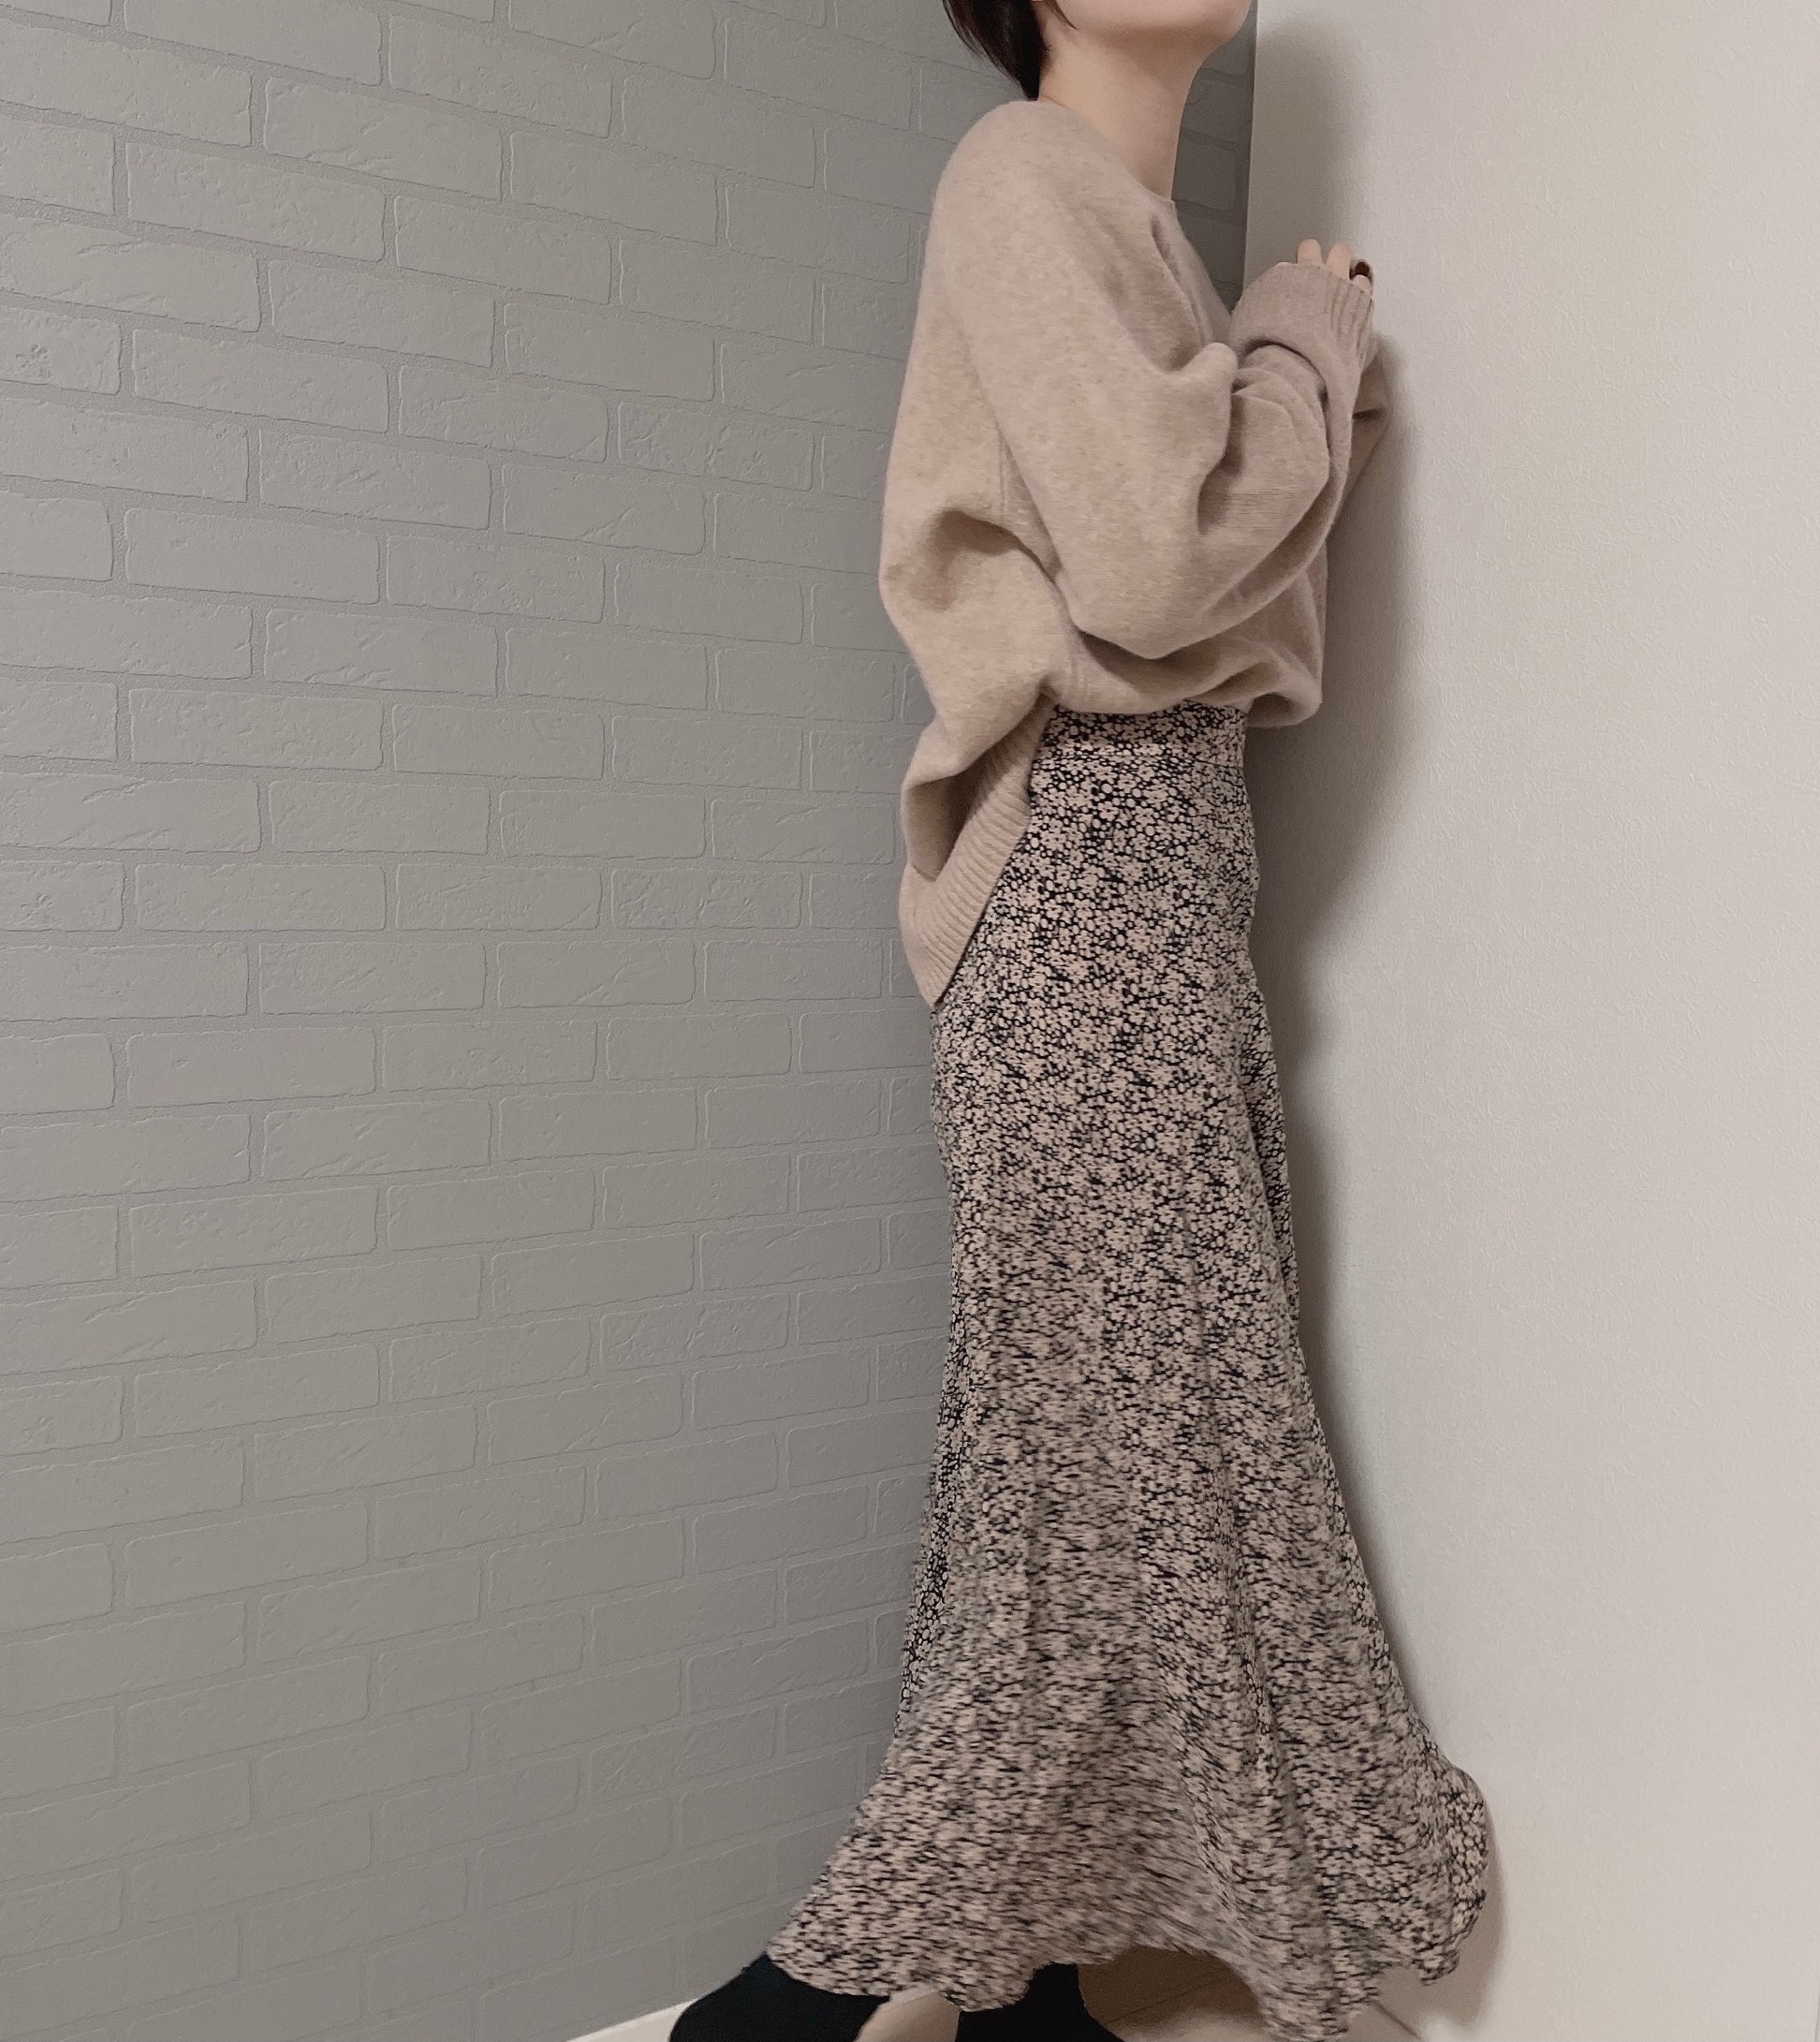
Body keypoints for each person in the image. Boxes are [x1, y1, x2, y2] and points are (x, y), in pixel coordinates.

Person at [672, 1, 1489, 2036]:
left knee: (1083, 1453)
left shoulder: (1134, 240)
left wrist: (1289, 366)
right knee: (1156, 1442)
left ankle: (1013, 1970)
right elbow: (1150, 564)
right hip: (1087, 872)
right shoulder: (1024, 176)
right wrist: (1303, 349)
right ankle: (811, 1992)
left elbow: (1217, 562)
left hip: (1156, 877)